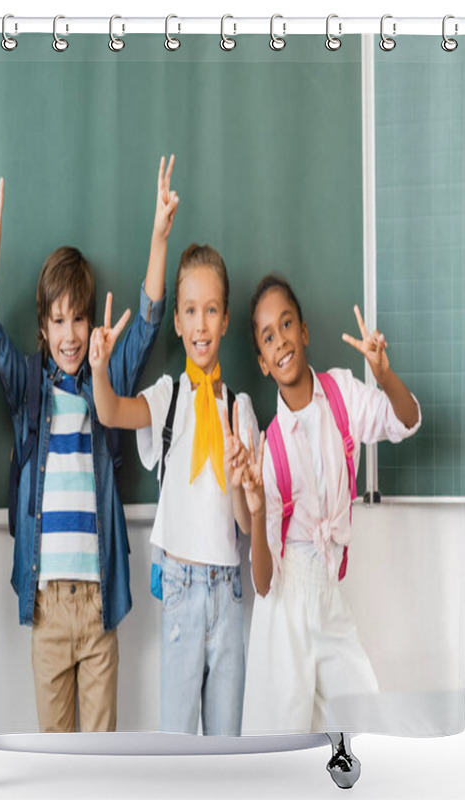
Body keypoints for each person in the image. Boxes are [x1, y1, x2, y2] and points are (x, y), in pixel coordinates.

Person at [0, 156, 177, 732]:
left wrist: (159, 236)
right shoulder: (29, 387)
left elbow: (150, 319)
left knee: (101, 755)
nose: (69, 335)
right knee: (54, 756)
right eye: (57, 321)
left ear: (91, 326)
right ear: (43, 327)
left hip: (98, 599)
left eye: (79, 320)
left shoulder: (104, 377)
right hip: (47, 605)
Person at [89, 243, 259, 736]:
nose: (201, 324)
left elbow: (247, 525)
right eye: (190, 312)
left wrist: (241, 480)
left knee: (227, 745)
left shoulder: (240, 409)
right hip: (183, 589)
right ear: (178, 324)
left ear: (226, 320)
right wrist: (99, 370)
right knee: (178, 744)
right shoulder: (169, 396)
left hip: (228, 593)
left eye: (211, 311)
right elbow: (111, 413)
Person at [241, 274, 421, 735]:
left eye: (286, 325)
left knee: (361, 731)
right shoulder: (270, 446)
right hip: (284, 612)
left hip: (330, 599)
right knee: (280, 755)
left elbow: (405, 420)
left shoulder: (341, 393)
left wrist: (382, 374)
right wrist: (259, 509)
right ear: (262, 362)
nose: (280, 340)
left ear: (304, 331)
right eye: (268, 336)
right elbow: (263, 583)